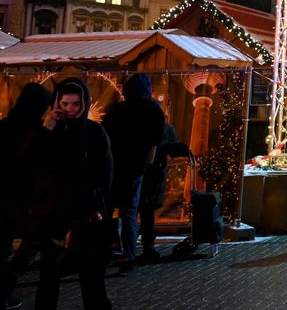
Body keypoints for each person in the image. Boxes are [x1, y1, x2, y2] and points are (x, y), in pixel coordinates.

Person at [20, 78, 113, 310]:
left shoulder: (93, 131)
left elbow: (104, 173)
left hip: (85, 215)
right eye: (65, 103)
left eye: (75, 104)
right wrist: (47, 128)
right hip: (52, 216)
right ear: (56, 103)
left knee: (91, 277)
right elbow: (27, 162)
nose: (70, 109)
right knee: (49, 275)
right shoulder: (48, 129)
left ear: (84, 104)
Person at [101, 74, 165, 272]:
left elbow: (105, 137)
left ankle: (106, 252)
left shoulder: (117, 109)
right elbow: (156, 142)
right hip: (136, 168)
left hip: (113, 167)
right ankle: (128, 255)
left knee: (108, 211)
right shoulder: (154, 110)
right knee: (129, 212)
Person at [0, 83, 51, 310]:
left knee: (3, 244)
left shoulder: (4, 126)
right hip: (24, 197)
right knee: (30, 242)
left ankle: (5, 288)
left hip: (5, 194)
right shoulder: (37, 131)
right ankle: (5, 287)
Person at [138, 121, 189, 262]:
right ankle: (147, 249)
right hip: (152, 176)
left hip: (131, 174)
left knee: (129, 212)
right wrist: (183, 148)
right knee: (146, 213)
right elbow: (173, 149)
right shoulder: (163, 127)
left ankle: (124, 249)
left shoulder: (126, 120)